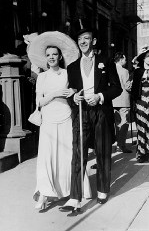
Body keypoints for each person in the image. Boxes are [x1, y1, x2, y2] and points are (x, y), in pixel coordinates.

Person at [61, 20, 121, 213]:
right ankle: (74, 197)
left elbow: (117, 88)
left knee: (103, 152)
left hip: (101, 113)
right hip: (82, 113)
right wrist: (74, 97)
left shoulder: (106, 61)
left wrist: (100, 96)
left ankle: (103, 189)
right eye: (79, 39)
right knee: (78, 155)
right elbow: (70, 93)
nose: (82, 42)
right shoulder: (71, 67)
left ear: (93, 41)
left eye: (86, 39)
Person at [27, 32, 91, 211]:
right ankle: (45, 193)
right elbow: (39, 102)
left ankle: (72, 190)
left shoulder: (67, 74)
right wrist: (54, 94)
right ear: (45, 59)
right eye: (48, 55)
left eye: (54, 54)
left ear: (60, 56)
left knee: (67, 155)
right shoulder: (42, 77)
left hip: (65, 117)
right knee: (47, 158)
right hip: (48, 119)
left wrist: (73, 93)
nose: (51, 57)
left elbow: (76, 92)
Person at [112, 52, 132, 153]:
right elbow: (127, 86)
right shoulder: (124, 71)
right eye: (124, 59)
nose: (126, 61)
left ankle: (117, 144)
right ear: (120, 60)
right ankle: (121, 145)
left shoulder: (110, 69)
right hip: (123, 100)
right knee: (125, 122)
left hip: (113, 100)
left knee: (117, 123)